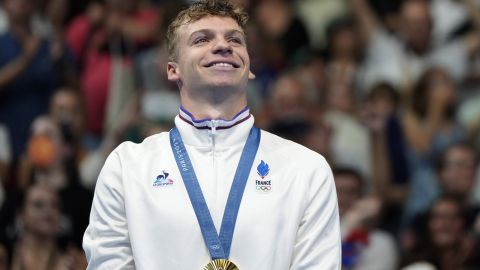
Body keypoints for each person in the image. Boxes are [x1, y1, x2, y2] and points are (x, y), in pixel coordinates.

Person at [82, 0, 341, 269]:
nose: (222, 46)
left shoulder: (306, 169)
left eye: (235, 40)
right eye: (201, 39)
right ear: (173, 69)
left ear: (249, 68)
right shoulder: (128, 166)